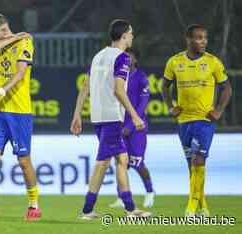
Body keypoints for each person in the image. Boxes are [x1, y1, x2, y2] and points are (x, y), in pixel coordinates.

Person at [70, 19, 151, 219]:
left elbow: (85, 87)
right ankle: (90, 210)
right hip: (113, 118)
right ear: (124, 35)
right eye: (131, 33)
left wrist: (77, 114)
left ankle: (128, 207)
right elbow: (118, 90)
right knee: (102, 162)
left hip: (98, 117)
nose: (132, 36)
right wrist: (134, 116)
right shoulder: (122, 58)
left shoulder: (98, 56)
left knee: (121, 160)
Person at [0, 12, 41, 221]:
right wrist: (13, 36)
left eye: (5, 30)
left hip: (19, 111)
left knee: (23, 161)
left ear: (6, 26)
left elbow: (20, 74)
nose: (3, 34)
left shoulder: (25, 42)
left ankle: (33, 205)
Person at [162, 24, 232, 217]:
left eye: (205, 38)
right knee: (191, 165)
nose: (204, 41)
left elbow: (227, 88)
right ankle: (203, 206)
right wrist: (170, 106)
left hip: (204, 121)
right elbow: (164, 86)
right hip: (184, 121)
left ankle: (191, 207)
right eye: (199, 38)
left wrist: (218, 110)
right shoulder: (175, 62)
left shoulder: (213, 62)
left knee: (198, 159)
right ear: (189, 39)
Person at [109, 49, 155, 209]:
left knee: (137, 163)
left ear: (135, 60)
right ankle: (121, 197)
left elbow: (143, 105)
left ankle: (150, 191)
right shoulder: (118, 78)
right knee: (121, 163)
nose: (127, 60)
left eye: (130, 57)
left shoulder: (141, 77)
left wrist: (131, 125)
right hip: (120, 127)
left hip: (137, 128)